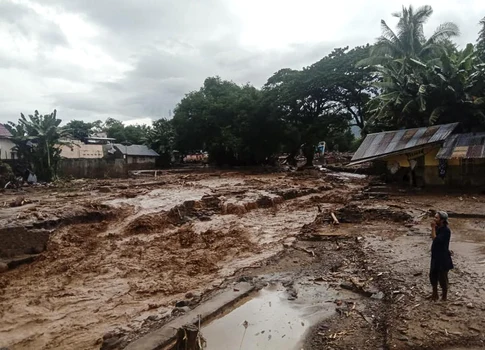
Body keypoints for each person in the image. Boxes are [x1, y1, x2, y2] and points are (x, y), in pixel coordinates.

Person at [429, 211, 454, 301]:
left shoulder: (446, 231)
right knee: (432, 275)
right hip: (435, 256)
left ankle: (444, 297)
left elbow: (435, 239)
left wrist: (432, 228)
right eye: (435, 217)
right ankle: (434, 293)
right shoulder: (438, 228)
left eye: (437, 218)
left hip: (443, 258)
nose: (434, 219)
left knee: (442, 278)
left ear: (442, 220)